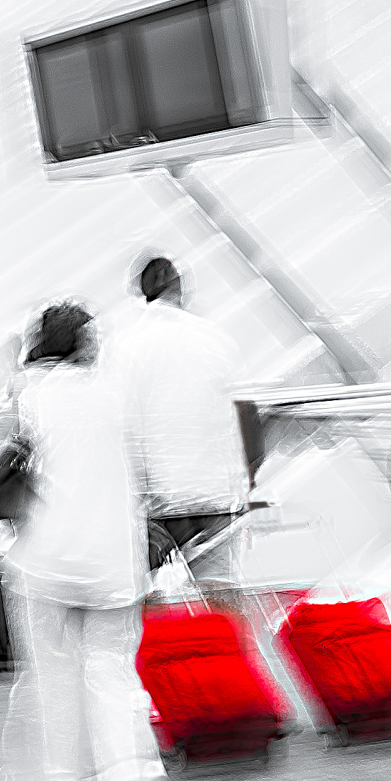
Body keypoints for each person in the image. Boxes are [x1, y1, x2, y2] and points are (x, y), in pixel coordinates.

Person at [0, 301, 164, 781]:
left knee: (52, 678)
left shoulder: (30, 392)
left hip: (49, 559)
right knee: (111, 678)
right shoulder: (118, 392)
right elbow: (147, 471)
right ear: (88, 344)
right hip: (115, 560)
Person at [112, 257, 252, 617]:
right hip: (215, 493)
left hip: (159, 499)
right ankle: (227, 649)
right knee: (221, 597)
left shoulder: (125, 345)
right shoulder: (214, 338)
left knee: (149, 601)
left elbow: (122, 426)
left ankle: (163, 651)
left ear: (142, 292)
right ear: (180, 287)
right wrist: (245, 482)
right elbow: (244, 412)